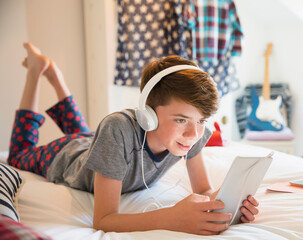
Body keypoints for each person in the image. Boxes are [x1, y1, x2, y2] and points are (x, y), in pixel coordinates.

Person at [8, 42, 259, 235]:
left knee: (82, 133)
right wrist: (172, 217)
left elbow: (203, 190)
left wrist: (228, 203)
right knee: (19, 155)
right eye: (181, 120)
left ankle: (55, 76)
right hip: (66, 156)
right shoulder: (116, 128)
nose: (194, 134)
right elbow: (103, 220)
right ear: (148, 113)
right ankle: (35, 72)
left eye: (201, 120)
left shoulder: (194, 134)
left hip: (94, 144)